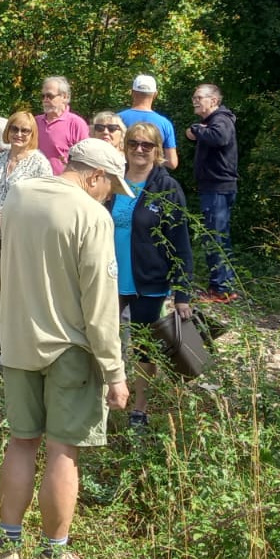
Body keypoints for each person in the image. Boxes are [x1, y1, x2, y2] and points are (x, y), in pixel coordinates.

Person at [0, 139, 130, 559]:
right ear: (95, 176)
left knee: (20, 441)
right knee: (62, 450)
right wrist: (115, 372)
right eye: (110, 188)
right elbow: (101, 303)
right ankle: (53, 553)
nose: (109, 196)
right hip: (70, 347)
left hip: (16, 340)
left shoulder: (19, 195)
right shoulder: (91, 216)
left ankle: (7, 546)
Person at [113, 121, 193, 430]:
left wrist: (182, 293)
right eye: (134, 143)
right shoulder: (111, 182)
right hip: (110, 280)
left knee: (144, 346)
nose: (140, 150)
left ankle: (140, 407)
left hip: (149, 280)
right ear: (126, 147)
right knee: (102, 340)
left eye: (147, 145)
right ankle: (106, 397)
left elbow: (182, 244)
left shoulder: (167, 187)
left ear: (158, 150)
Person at [186, 84, 240, 302]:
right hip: (214, 187)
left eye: (199, 97)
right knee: (217, 236)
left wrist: (196, 130)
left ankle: (221, 289)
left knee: (215, 237)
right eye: (194, 97)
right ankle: (223, 286)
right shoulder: (214, 121)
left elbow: (219, 138)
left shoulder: (221, 120)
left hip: (218, 187)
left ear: (214, 101)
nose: (195, 101)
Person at [0, 111, 53, 236]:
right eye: (14, 129)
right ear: (7, 131)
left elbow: (47, 203)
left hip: (23, 236)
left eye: (25, 130)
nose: (18, 134)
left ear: (32, 134)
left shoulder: (40, 164)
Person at [118, 74, 179, 170]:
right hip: (152, 179)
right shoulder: (165, 123)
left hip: (122, 174)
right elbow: (172, 163)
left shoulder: (117, 119)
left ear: (132, 93)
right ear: (155, 94)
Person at [35, 75, 90, 175]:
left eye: (50, 96)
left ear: (64, 97)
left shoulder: (76, 123)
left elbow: (86, 158)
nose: (45, 100)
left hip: (63, 183)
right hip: (36, 181)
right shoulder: (35, 122)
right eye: (43, 96)